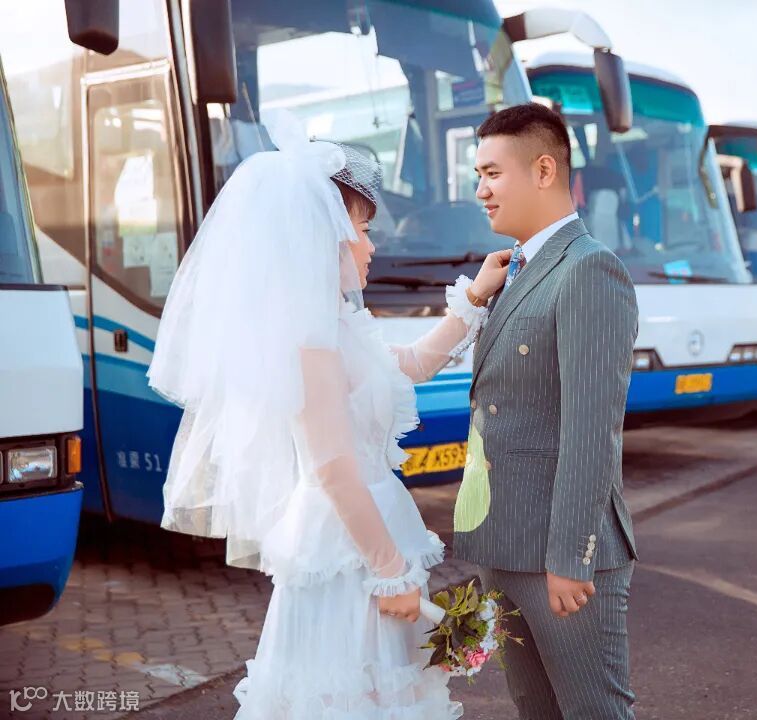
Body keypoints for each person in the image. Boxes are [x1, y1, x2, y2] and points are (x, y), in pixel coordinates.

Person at [147, 110, 510, 719]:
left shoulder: (337, 324)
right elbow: (334, 469)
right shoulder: (309, 342)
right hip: (349, 551)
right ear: (324, 238)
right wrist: (390, 572)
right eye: (362, 229)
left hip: (366, 536)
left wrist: (473, 296)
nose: (372, 245)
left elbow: (411, 363)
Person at [453, 102, 640, 719]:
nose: (481, 190)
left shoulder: (589, 269)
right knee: (534, 711)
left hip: (561, 558)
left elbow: (592, 429)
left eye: (492, 173)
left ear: (542, 170)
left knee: (594, 712)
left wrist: (570, 556)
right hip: (504, 543)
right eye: (478, 176)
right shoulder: (512, 270)